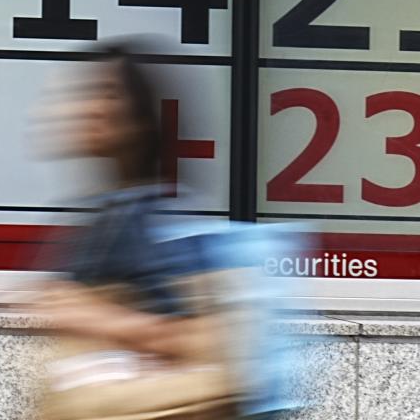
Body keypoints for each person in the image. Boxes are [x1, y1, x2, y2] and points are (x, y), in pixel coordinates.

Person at [30, 41, 292, 420]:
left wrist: (97, 317)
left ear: (139, 118)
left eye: (103, 93)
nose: (81, 108)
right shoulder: (101, 216)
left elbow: (210, 348)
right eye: (79, 93)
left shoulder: (156, 223)